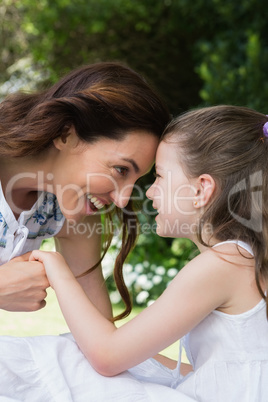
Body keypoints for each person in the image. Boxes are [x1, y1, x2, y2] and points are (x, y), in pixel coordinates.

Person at [1, 104, 268, 402]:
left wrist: (56, 268)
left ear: (201, 189)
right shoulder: (245, 262)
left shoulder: (223, 264)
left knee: (53, 359)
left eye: (161, 178)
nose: (147, 193)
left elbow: (107, 354)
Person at [0, 61, 170, 320]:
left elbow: (98, 334)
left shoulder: (67, 207)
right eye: (121, 170)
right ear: (67, 133)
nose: (123, 199)